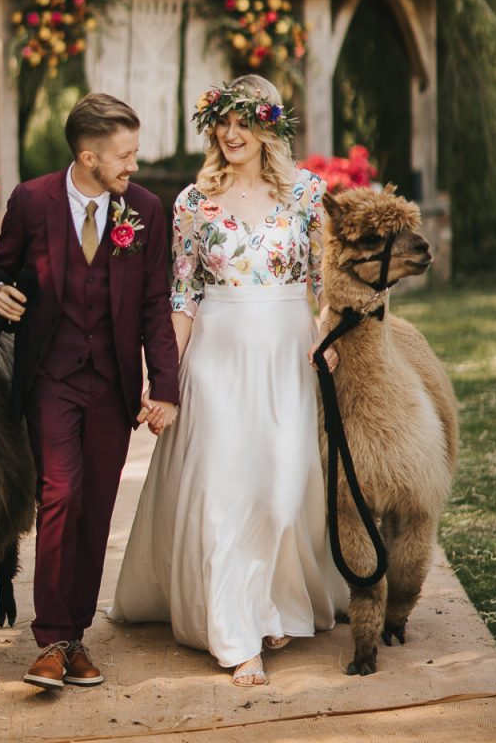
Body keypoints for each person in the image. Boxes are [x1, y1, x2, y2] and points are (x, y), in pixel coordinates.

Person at [109, 75, 348, 686]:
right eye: (222, 121)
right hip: (216, 355)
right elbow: (183, 295)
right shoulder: (194, 202)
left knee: (283, 489)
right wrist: (163, 381)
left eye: (243, 120)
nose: (230, 132)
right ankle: (238, 632)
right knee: (226, 490)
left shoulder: (309, 195)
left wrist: (326, 334)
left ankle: (269, 597)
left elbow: (327, 284)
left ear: (268, 127)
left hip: (287, 355)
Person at [0, 92, 180, 692]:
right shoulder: (31, 201)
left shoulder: (144, 209)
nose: (134, 167)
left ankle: (75, 637)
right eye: (125, 156)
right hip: (51, 378)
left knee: (95, 508)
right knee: (61, 495)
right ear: (89, 156)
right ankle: (49, 641)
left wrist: (164, 388)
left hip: (112, 386)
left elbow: (154, 306)